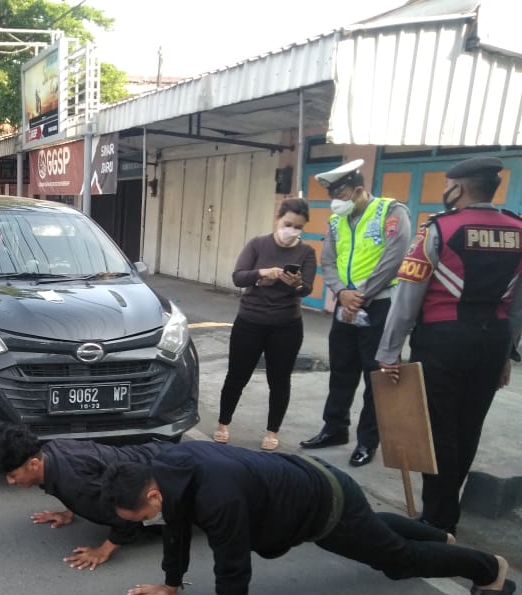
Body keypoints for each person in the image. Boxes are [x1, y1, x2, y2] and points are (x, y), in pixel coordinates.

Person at [99, 441, 514, 595]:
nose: (141, 522)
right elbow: (175, 527)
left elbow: (232, 568)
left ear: (152, 495)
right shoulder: (167, 466)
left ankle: (489, 568)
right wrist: (171, 583)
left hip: (326, 508)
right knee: (373, 529)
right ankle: (437, 536)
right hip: (312, 480)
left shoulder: (216, 499)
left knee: (398, 561)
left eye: (138, 517)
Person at [377, 157, 522, 534]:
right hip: (492, 343)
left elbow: (408, 295)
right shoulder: (518, 230)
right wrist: (507, 353)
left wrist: (388, 353)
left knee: (437, 430)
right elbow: (518, 304)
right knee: (468, 427)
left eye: (447, 184)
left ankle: (438, 521)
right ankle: (444, 512)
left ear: (457, 188)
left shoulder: (439, 229)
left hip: (443, 343)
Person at [300, 160, 412, 467]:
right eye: (333, 194)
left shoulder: (391, 211)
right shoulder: (337, 222)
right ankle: (334, 429)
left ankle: (367, 441)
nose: (337, 200)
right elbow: (328, 261)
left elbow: (396, 256)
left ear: (359, 190)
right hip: (346, 303)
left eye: (342, 193)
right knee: (341, 370)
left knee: (376, 376)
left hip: (380, 304)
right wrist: (341, 292)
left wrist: (360, 296)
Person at [215, 197, 317, 451]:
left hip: (287, 326)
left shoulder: (306, 252)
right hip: (250, 321)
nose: (291, 231)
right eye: (288, 224)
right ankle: (223, 424)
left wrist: (296, 285)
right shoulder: (257, 244)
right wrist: (261, 273)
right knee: (237, 376)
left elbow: (307, 289)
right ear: (278, 219)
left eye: (297, 227)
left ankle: (272, 431)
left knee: (280, 380)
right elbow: (238, 277)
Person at [0, 425, 164, 570]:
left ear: (34, 464)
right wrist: (70, 510)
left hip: (167, 475)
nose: (10, 482)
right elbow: (89, 474)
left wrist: (103, 551)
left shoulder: (76, 486)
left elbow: (127, 513)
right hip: (153, 452)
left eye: (12, 475)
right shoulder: (51, 450)